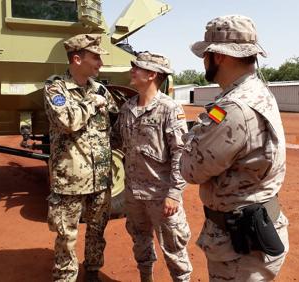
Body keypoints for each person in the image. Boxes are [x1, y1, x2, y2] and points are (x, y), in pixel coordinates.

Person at [180, 15, 289, 281]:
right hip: (253, 231)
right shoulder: (256, 92)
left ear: (218, 57)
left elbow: (191, 170)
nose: (204, 61)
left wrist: (191, 139)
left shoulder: (233, 108)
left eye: (206, 54)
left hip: (240, 249)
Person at [112, 52, 193, 282]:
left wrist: (175, 193)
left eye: (138, 67)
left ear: (152, 74)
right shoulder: (127, 108)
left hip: (161, 195)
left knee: (174, 248)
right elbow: (115, 140)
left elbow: (181, 152)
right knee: (140, 242)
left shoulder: (169, 109)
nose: (132, 70)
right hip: (134, 194)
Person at [43, 34, 118, 282]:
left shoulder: (101, 90)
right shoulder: (56, 87)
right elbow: (67, 121)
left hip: (100, 177)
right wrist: (90, 102)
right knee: (67, 236)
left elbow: (115, 124)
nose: (100, 63)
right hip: (70, 179)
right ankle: (66, 278)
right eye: (95, 57)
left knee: (98, 231)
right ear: (77, 59)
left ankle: (93, 271)